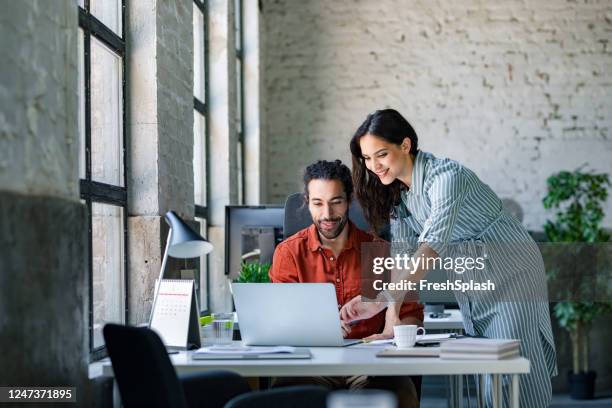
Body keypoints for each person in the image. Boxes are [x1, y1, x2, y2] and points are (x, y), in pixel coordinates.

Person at [340, 109, 558, 407]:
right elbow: (403, 261)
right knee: (488, 377)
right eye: (366, 158)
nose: (373, 166)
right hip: (474, 283)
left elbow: (431, 246)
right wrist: (389, 322)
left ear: (405, 145)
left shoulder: (446, 178)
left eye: (381, 154)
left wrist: (379, 301)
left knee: (511, 373)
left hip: (511, 274)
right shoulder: (399, 195)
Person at [269, 159, 423, 408]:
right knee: (286, 399)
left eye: (336, 202)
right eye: (318, 203)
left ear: (349, 201)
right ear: (307, 203)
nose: (327, 214)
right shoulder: (289, 254)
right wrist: (320, 330)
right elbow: (280, 321)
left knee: (398, 395)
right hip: (311, 365)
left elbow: (413, 317)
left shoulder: (381, 253)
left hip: (371, 365)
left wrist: (394, 328)